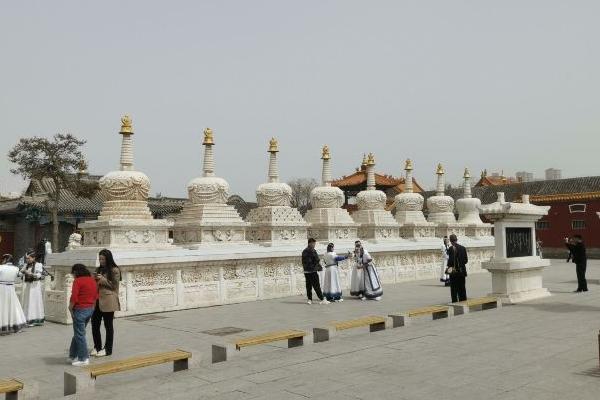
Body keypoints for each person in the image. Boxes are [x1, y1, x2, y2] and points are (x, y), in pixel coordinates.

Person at [91, 249, 121, 357]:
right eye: (99, 259)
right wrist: (94, 278)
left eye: (103, 259)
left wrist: (102, 279)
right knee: (94, 324)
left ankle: (108, 349)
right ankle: (97, 346)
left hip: (109, 300)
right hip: (97, 300)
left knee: (108, 326)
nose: (101, 261)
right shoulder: (98, 269)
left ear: (108, 258)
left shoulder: (114, 270)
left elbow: (114, 286)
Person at [68, 264, 98, 366]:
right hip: (90, 309)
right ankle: (73, 354)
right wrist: (92, 307)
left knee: (80, 335)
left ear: (75, 272)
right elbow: (95, 295)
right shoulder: (92, 280)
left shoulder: (78, 281)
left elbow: (74, 297)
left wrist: (70, 308)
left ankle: (83, 358)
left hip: (80, 309)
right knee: (78, 333)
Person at [0, 254, 27, 335]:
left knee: (2, 307)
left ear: (5, 259)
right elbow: (21, 275)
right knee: (13, 307)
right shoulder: (16, 268)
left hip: (1, 288)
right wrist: (24, 269)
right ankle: (16, 326)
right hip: (11, 289)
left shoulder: (1, 267)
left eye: (3, 259)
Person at [19, 251, 45, 326]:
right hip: (28, 286)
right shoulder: (26, 265)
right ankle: (27, 319)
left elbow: (38, 275)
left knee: (34, 302)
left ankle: (35, 319)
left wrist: (29, 273)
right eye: (26, 258)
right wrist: (21, 272)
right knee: (28, 301)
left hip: (35, 286)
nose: (27, 260)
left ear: (34, 258)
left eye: (29, 258)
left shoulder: (38, 265)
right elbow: (20, 273)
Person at [301, 238, 329, 305]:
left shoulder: (304, 251)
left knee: (308, 286)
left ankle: (309, 299)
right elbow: (316, 259)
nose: (314, 245)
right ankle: (322, 299)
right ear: (310, 243)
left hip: (306, 271)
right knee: (316, 285)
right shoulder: (312, 251)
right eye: (313, 243)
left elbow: (304, 261)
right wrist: (317, 266)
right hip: (312, 271)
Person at [446, 234, 468, 302]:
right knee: (462, 287)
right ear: (456, 239)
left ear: (450, 241)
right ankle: (463, 300)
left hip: (454, 272)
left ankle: (455, 301)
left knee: (454, 289)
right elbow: (466, 260)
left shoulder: (450, 249)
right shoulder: (463, 248)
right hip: (462, 272)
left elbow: (451, 261)